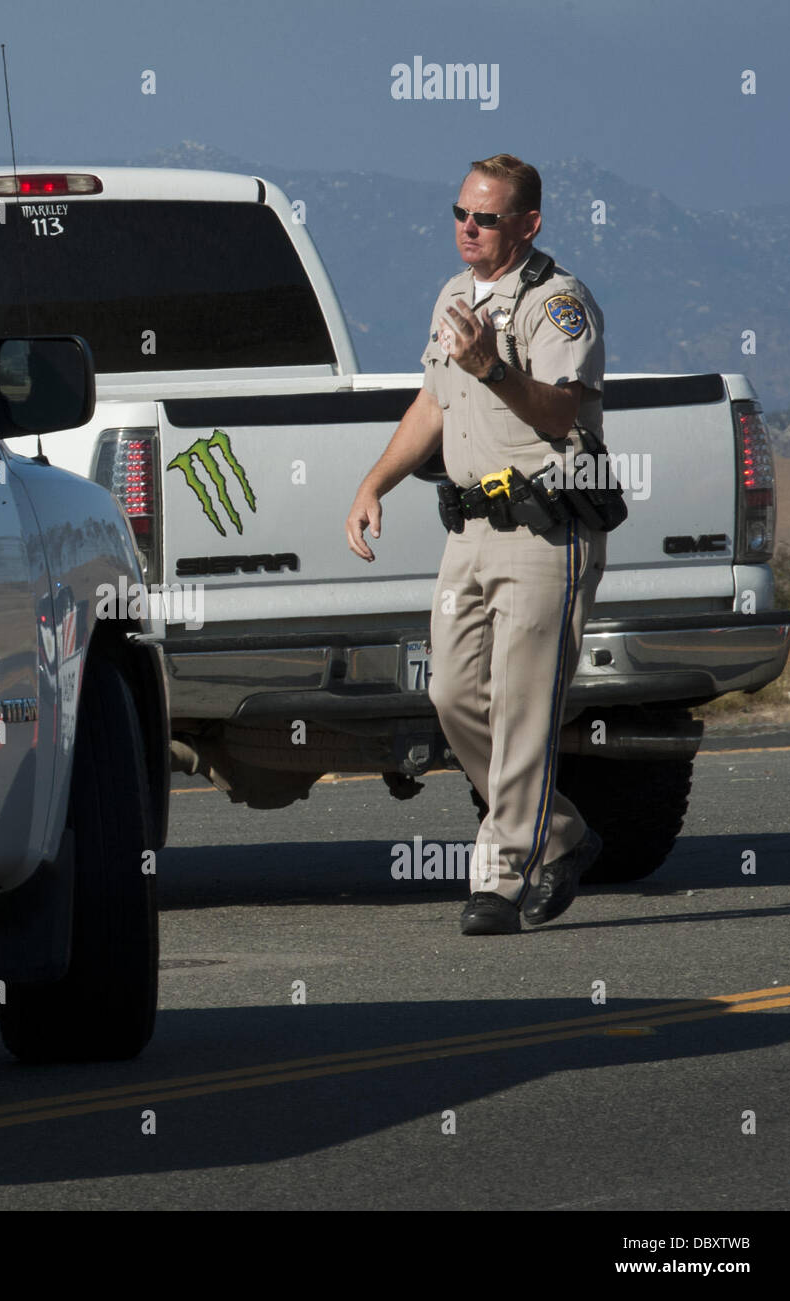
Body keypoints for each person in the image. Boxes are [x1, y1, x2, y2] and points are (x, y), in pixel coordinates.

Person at [345, 153, 607, 935]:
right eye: (461, 212)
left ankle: (499, 877)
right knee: (454, 697)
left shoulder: (558, 303)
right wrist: (374, 483)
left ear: (527, 224)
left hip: (544, 529)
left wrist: (493, 368)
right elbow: (433, 401)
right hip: (467, 531)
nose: (468, 227)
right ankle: (560, 832)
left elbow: (561, 414)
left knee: (526, 708)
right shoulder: (454, 295)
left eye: (487, 217)